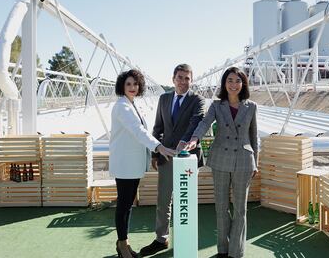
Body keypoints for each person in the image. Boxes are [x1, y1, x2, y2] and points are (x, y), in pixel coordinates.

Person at [185, 66, 258, 258]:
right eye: (230, 81)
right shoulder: (217, 106)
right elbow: (204, 123)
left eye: (238, 81)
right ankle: (223, 250)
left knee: (241, 209)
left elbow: (253, 136)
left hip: (244, 161)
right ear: (224, 84)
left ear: (243, 84)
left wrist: (255, 163)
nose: (234, 85)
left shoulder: (251, 106)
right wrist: (194, 139)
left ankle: (236, 252)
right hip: (220, 160)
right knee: (221, 207)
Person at [109, 69, 176, 258]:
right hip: (125, 165)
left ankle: (124, 242)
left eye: (135, 84)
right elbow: (137, 131)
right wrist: (159, 147)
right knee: (124, 205)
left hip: (132, 165)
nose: (132, 87)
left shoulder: (131, 104)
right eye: (128, 84)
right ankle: (122, 245)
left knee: (128, 205)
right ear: (122, 85)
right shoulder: (122, 106)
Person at [140, 64, 205, 256]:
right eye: (180, 77)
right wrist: (154, 152)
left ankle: (186, 240)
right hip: (166, 156)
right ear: (173, 79)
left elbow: (196, 123)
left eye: (187, 78)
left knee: (186, 200)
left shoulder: (197, 100)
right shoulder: (164, 98)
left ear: (191, 80)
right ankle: (161, 238)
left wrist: (184, 143)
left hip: (188, 158)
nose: (183, 82)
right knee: (163, 200)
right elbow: (158, 127)